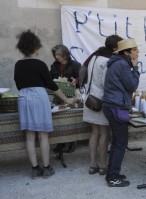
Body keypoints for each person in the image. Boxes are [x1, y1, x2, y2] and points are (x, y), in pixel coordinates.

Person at [14, 30, 75, 179]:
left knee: (29, 136)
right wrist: (67, 100)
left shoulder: (18, 65)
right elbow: (51, 85)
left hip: (23, 98)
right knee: (43, 135)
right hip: (38, 98)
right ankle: (47, 167)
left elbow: (18, 84)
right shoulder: (40, 64)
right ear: (36, 48)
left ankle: (35, 169)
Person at [82, 35, 123, 176]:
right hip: (101, 100)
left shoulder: (94, 57)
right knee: (104, 133)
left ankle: (92, 164)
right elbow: (107, 84)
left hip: (90, 99)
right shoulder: (107, 61)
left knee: (94, 133)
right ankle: (102, 165)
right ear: (114, 48)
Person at [101, 39, 140, 187]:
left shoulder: (116, 63)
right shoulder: (123, 65)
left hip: (111, 105)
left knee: (117, 141)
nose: (138, 52)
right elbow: (132, 86)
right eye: (135, 49)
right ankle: (113, 177)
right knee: (120, 142)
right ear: (126, 52)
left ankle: (111, 173)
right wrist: (135, 68)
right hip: (115, 106)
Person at [50, 44, 81, 153]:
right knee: (58, 120)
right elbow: (50, 79)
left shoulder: (76, 65)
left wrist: (76, 81)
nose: (57, 56)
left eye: (59, 54)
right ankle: (60, 143)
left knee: (71, 119)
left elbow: (83, 78)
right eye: (55, 54)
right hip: (58, 95)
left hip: (71, 95)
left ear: (65, 54)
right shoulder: (54, 66)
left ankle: (72, 142)